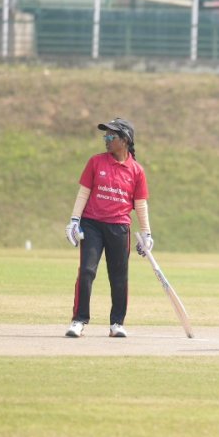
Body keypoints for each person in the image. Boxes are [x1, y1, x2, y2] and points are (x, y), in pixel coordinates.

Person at [64, 118, 154, 339]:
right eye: (105, 136)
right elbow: (84, 192)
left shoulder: (136, 171)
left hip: (119, 227)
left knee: (119, 277)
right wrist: (74, 220)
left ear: (124, 140)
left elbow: (140, 203)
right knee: (87, 271)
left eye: (111, 136)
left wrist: (146, 233)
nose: (106, 139)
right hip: (91, 224)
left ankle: (117, 323)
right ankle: (79, 320)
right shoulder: (96, 162)